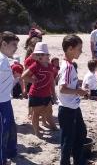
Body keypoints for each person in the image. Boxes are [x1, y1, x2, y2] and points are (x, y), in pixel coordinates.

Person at [58, 35, 89, 165]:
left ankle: (79, 160)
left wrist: (78, 86)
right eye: (79, 48)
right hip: (67, 109)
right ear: (70, 49)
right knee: (68, 140)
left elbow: (69, 84)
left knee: (81, 133)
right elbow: (62, 89)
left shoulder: (70, 65)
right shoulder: (68, 67)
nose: (81, 51)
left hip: (73, 107)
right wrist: (78, 91)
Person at [21, 42, 57, 138]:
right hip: (35, 94)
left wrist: (54, 94)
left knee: (49, 111)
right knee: (36, 114)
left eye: (44, 54)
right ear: (36, 56)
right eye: (39, 55)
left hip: (47, 94)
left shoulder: (50, 66)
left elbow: (51, 81)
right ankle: (36, 131)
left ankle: (52, 126)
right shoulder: (35, 65)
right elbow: (23, 76)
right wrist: (33, 80)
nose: (42, 56)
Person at [0, 31, 19, 165]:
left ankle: (8, 154)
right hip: (1, 102)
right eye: (13, 45)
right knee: (2, 133)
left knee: (10, 129)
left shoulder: (5, 60)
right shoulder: (1, 61)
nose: (16, 48)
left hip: (6, 100)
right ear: (4, 44)